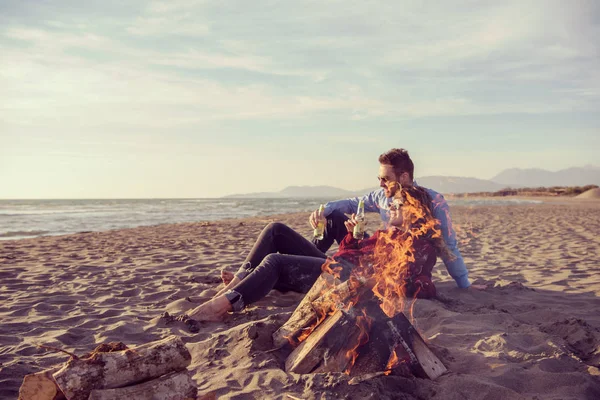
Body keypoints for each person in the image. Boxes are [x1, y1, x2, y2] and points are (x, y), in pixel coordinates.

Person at [185, 185, 445, 323]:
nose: (391, 207)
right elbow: (348, 253)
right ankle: (239, 282)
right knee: (276, 230)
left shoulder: (419, 245)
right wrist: (354, 237)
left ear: (414, 211)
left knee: (274, 262)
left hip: (345, 279)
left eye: (398, 205)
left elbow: (421, 283)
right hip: (339, 266)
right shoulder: (388, 233)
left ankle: (221, 307)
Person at [309, 148, 486, 290]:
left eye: (385, 179)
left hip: (401, 262)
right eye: (379, 178)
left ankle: (308, 269)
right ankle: (309, 260)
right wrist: (322, 210)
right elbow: (352, 204)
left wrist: (464, 284)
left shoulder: (433, 200)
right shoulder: (381, 196)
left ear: (404, 177)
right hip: (382, 249)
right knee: (332, 218)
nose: (380, 184)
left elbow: (448, 245)